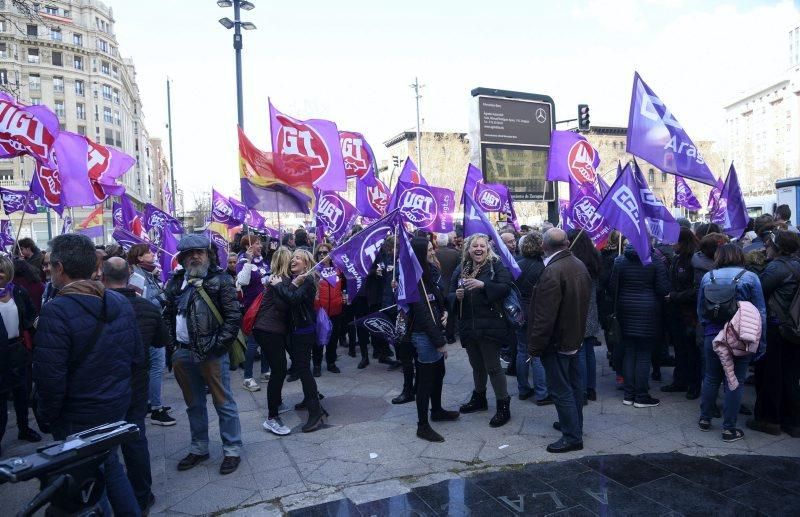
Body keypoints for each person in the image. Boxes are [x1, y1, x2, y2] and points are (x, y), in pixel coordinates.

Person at [33, 233, 144, 514]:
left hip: (77, 415)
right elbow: (136, 358)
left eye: (49, 266)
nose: (47, 271)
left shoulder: (55, 312)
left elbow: (49, 378)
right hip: (115, 404)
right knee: (109, 464)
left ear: (60, 268)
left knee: (88, 484)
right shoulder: (119, 301)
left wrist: (48, 416)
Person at [163, 234, 243, 475]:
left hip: (212, 354)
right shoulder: (176, 282)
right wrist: (172, 347)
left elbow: (233, 318)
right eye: (190, 253)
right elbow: (167, 316)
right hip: (183, 354)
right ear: (183, 258)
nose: (195, 256)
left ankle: (232, 450)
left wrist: (217, 347)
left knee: (223, 403)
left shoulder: (221, 280)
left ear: (209, 255)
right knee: (193, 404)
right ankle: (199, 448)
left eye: (200, 252)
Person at [103, 257, 171, 513]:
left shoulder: (97, 307)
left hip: (107, 385)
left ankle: (119, 496)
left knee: (109, 444)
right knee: (135, 439)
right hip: (135, 383)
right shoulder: (146, 307)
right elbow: (160, 341)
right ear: (129, 275)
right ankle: (141, 496)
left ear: (103, 277)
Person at [527, 228, 591, 453]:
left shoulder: (553, 271)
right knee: (573, 387)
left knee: (561, 389)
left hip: (558, 342)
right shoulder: (577, 264)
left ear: (544, 247)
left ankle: (572, 437)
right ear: (566, 243)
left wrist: (534, 347)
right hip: (573, 338)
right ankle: (573, 425)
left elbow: (545, 316)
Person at [697, 244, 766, 442]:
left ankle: (705, 418)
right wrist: (761, 341)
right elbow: (761, 312)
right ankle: (729, 428)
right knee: (734, 380)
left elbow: (701, 309)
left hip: (713, 333)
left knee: (711, 377)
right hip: (740, 337)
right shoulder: (750, 277)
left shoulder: (708, 277)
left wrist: (707, 329)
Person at [451, 233, 513, 428]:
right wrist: (456, 296)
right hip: (469, 325)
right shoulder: (462, 268)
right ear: (468, 249)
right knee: (477, 366)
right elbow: (450, 292)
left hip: (490, 325)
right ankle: (479, 399)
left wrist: (484, 285)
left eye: (482, 246)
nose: (478, 249)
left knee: (493, 367)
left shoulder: (495, 265)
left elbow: (506, 287)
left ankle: (503, 405)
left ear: (488, 249)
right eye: (474, 246)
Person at [405, 237, 459, 442]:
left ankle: (436, 410)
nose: (433, 251)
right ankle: (422, 425)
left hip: (434, 330)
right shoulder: (413, 278)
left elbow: (437, 297)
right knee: (425, 380)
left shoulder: (428, 271)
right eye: (429, 249)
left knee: (439, 372)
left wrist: (444, 311)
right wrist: (440, 342)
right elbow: (422, 315)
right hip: (424, 335)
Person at [270, 249, 328, 432]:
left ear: (306, 264)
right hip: (296, 330)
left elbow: (293, 299)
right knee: (300, 367)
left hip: (304, 331)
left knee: (304, 370)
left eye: (298, 258)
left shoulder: (308, 279)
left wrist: (279, 285)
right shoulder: (299, 278)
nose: (293, 260)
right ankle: (309, 399)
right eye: (293, 257)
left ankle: (315, 413)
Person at [749, 230, 800, 436]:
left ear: (777, 248)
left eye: (769, 245)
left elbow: (758, 291)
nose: (765, 248)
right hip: (794, 327)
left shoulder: (776, 268)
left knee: (770, 374)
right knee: (791, 375)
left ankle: (770, 419)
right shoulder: (796, 264)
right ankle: (793, 421)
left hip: (776, 327)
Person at [611, 241, 670, 408]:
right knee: (644, 355)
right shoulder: (654, 261)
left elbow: (612, 287)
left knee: (629, 352)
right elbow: (663, 288)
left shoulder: (621, 260)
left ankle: (628, 395)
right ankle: (641, 395)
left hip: (625, 310)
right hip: (649, 312)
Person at [0, 255, 40, 456]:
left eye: (2, 270)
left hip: (17, 350)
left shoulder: (18, 292)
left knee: (22, 393)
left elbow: (31, 317)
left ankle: (24, 428)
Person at [256, 247, 293, 436]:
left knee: (280, 368)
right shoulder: (281, 280)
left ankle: (277, 403)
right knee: (279, 370)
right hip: (269, 329)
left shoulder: (275, 277)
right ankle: (271, 417)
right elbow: (282, 305)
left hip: (267, 328)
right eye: (291, 260)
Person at [513, 232, 551, 406]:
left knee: (522, 350)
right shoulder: (545, 267)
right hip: (537, 312)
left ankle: (523, 389)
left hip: (520, 312)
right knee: (537, 353)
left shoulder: (516, 265)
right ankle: (542, 393)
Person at [663, 228, 701, 397]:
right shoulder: (677, 259)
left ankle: (694, 384)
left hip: (689, 313)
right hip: (676, 311)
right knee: (680, 348)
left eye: (674, 241)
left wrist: (675, 296)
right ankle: (680, 380)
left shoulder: (694, 260)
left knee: (691, 350)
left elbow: (696, 289)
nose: (672, 245)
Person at [568, 230, 602, 403]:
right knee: (589, 351)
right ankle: (591, 388)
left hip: (577, 310)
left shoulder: (573, 263)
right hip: (591, 309)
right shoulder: (594, 258)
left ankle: (580, 391)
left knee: (579, 352)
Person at [237, 234, 270, 391]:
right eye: (257, 243)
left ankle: (265, 371)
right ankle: (247, 377)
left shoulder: (262, 261)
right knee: (252, 343)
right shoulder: (243, 262)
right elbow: (242, 282)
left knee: (265, 340)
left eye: (260, 243)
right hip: (252, 308)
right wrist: (248, 261)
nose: (261, 245)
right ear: (247, 246)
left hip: (266, 306)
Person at [313, 243, 343, 375]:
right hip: (320, 310)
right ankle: (317, 365)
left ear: (331, 254)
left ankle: (331, 362)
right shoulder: (314, 270)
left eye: (325, 253)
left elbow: (346, 285)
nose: (322, 255)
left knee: (333, 338)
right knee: (318, 340)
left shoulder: (338, 269)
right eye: (320, 253)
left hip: (336, 309)